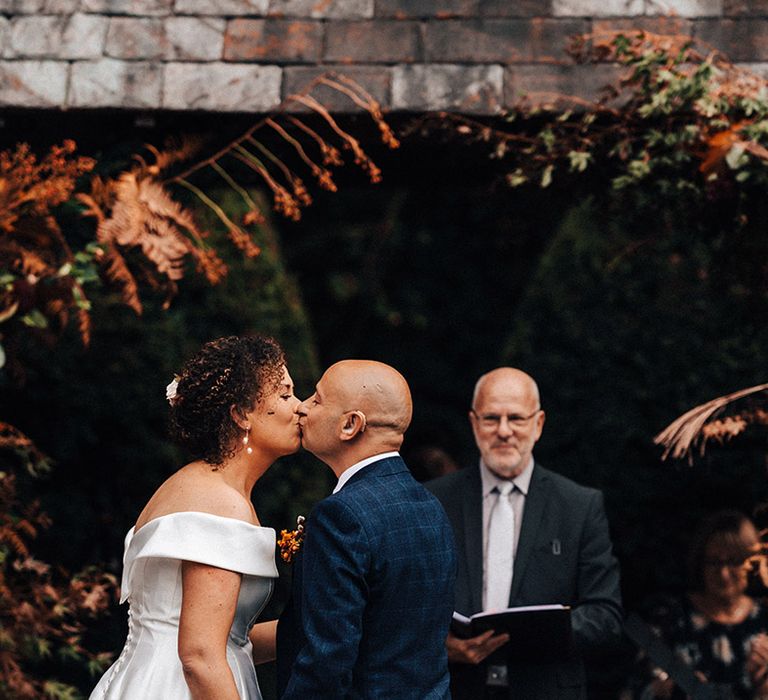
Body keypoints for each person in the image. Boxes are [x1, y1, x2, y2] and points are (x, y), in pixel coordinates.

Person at [90, 335, 300, 700]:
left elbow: (227, 638)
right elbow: (200, 657)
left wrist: (330, 626)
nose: (300, 408)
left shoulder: (196, 486)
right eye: (284, 395)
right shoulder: (220, 502)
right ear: (240, 414)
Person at [426, 367, 623, 699]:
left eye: (516, 418)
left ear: (539, 424)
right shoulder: (433, 500)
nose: (504, 431)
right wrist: (437, 644)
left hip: (545, 690)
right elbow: (399, 601)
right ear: (474, 423)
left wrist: (535, 634)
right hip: (455, 689)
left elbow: (606, 616)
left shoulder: (579, 505)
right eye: (491, 419)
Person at [276, 360, 457, 699]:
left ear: (350, 425)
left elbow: (325, 660)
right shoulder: (432, 507)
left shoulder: (340, 515)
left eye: (316, 399)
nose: (301, 407)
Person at [638, 510, 768, 699]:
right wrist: (670, 690)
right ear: (700, 562)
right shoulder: (670, 618)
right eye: (714, 562)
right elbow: (636, 689)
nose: (723, 574)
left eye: (733, 562)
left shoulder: (764, 619)